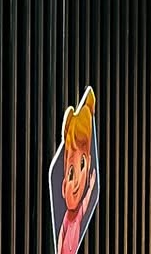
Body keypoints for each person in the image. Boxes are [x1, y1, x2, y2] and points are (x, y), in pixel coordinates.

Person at [56, 89, 97, 254]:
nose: (78, 181)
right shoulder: (66, 218)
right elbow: (61, 234)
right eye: (71, 173)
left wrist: (92, 185)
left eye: (82, 163)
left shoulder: (79, 214)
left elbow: (86, 200)